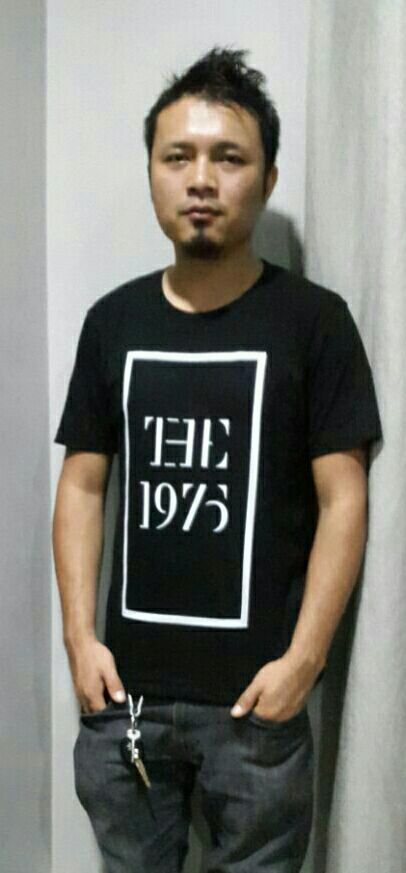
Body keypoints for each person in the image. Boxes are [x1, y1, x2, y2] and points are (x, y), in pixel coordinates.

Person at [52, 45, 382, 873]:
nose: (201, 178)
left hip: (257, 714)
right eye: (179, 156)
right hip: (126, 703)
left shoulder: (315, 322)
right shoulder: (113, 322)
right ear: (152, 174)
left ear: (267, 179)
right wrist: (79, 639)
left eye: (228, 157)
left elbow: (344, 499)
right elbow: (83, 486)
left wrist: (304, 662)